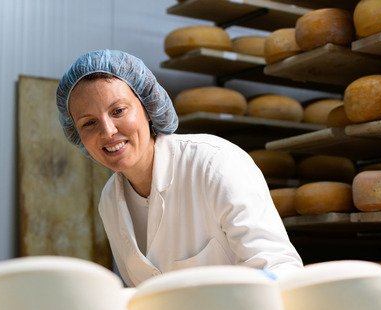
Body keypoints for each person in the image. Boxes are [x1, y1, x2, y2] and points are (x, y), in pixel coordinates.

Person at [56, 49, 303, 287]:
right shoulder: (110, 200)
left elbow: (279, 269)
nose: (108, 131)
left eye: (118, 111)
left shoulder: (214, 164)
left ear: (147, 107)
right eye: (89, 123)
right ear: (76, 134)